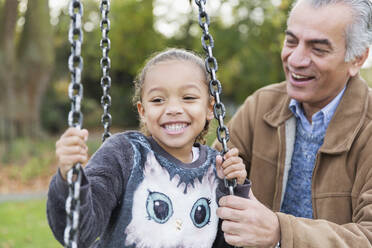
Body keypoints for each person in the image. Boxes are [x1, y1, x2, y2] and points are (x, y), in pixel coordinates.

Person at [47, 48, 250, 248]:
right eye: (157, 100)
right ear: (143, 111)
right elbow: (79, 233)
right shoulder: (124, 155)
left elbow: (230, 242)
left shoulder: (217, 169)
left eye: (188, 97)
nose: (173, 109)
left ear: (209, 108)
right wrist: (70, 178)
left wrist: (234, 188)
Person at [213, 0, 372, 247]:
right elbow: (205, 182)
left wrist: (280, 232)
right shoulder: (261, 106)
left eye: (318, 49)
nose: (296, 60)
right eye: (291, 41)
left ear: (357, 59)